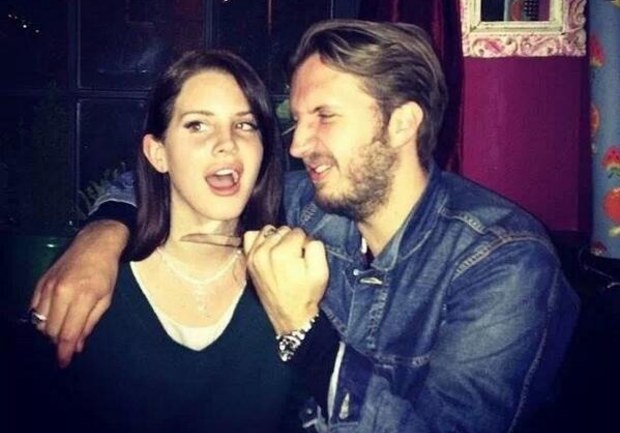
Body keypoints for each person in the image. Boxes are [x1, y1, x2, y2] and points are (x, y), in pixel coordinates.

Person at [30, 20, 579, 433]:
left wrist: (304, 331)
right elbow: (166, 178)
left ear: (402, 124)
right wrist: (100, 237)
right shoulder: (311, 204)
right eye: (296, 121)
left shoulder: (504, 263)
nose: (296, 146)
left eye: (324, 116)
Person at [35, 49, 307, 433]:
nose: (227, 143)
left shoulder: (293, 278)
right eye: (197, 125)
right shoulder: (91, 283)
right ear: (158, 153)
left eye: (245, 125)